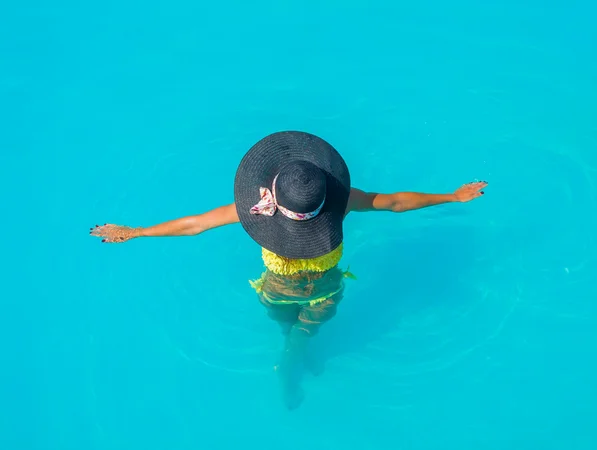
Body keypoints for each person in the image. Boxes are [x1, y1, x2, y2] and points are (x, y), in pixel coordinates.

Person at [90, 131, 487, 409]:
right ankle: (292, 361)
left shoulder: (251, 210)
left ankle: (289, 362)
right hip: (324, 289)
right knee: (305, 330)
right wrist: (452, 196)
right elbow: (396, 202)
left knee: (285, 326)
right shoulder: (342, 202)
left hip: (275, 289)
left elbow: (196, 224)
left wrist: (139, 232)